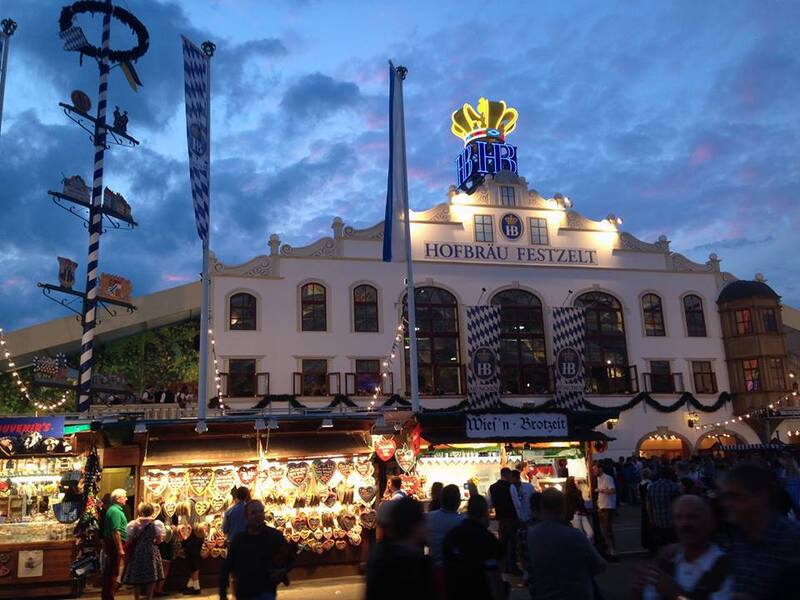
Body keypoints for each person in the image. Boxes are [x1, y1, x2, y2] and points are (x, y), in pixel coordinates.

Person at [720, 462, 800, 598]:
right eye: (725, 497)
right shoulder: (741, 538)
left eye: (735, 496)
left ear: (759, 496)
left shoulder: (791, 540)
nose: (727, 504)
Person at [635, 495, 733, 600]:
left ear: (710, 523)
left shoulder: (724, 568)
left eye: (692, 517)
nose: (684, 524)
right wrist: (637, 592)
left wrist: (677, 595)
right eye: (678, 517)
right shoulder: (667, 561)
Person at [526, 488, 605, 600]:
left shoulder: (531, 535)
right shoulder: (575, 535)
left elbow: (529, 568)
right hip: (576, 593)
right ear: (563, 508)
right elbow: (599, 565)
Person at [219, 500, 292, 600]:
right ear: (246, 517)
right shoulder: (240, 540)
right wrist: (223, 594)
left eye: (261, 511)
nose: (258, 515)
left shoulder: (274, 536)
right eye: (253, 513)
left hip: (266, 591)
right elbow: (227, 567)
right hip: (244, 592)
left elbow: (290, 557)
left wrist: (282, 570)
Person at [366, 496, 434, 600]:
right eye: (423, 521)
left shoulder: (380, 553)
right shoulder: (412, 565)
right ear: (413, 526)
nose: (427, 527)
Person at [442, 494, 506, 600]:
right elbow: (494, 576)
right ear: (485, 513)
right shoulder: (487, 539)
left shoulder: (451, 536)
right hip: (481, 592)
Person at [123, 502, 165, 600]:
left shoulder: (133, 524)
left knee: (137, 576)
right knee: (152, 576)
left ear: (141, 512)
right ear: (152, 511)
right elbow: (159, 540)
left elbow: (129, 540)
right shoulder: (156, 524)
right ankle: (149, 597)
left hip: (138, 551)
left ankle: (136, 598)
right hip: (151, 550)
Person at [488, 467, 518, 574]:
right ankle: (512, 566)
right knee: (513, 543)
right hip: (512, 518)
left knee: (503, 543)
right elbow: (516, 503)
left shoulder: (492, 487)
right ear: (508, 475)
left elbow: (490, 504)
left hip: (500, 519)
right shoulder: (511, 487)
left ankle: (503, 566)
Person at [426, 484, 464, 567]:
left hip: (434, 567)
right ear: (458, 501)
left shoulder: (429, 517)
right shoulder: (463, 521)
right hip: (457, 568)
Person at [102, 488, 129, 600]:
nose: (126, 498)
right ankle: (109, 597)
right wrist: (120, 549)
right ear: (118, 499)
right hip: (115, 544)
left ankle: (108, 595)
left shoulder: (115, 510)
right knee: (113, 571)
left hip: (115, 544)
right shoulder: (115, 511)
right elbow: (115, 531)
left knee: (113, 570)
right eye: (124, 496)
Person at [647, 467, 680, 549]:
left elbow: (648, 503)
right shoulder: (673, 486)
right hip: (671, 520)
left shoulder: (652, 486)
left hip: (657, 519)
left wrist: (651, 518)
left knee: (661, 544)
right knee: (673, 544)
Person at [593, 463, 618, 560]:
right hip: (602, 506)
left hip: (608, 507)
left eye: (595, 469)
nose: (594, 471)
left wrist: (601, 490)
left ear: (600, 469)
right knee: (604, 530)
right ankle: (609, 549)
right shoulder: (597, 479)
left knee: (607, 529)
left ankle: (612, 550)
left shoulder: (608, 478)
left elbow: (612, 491)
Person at [565, 476, 593, 542]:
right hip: (576, 515)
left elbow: (581, 503)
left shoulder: (578, 492)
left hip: (582, 514)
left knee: (590, 533)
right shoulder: (568, 494)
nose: (576, 482)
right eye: (574, 481)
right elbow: (568, 505)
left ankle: (585, 545)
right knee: (580, 534)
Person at [639, 468, 655, 554]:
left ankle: (646, 544)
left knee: (645, 524)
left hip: (643, 505)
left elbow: (639, 494)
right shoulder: (650, 484)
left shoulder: (640, 483)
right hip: (648, 504)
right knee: (650, 524)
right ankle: (651, 544)